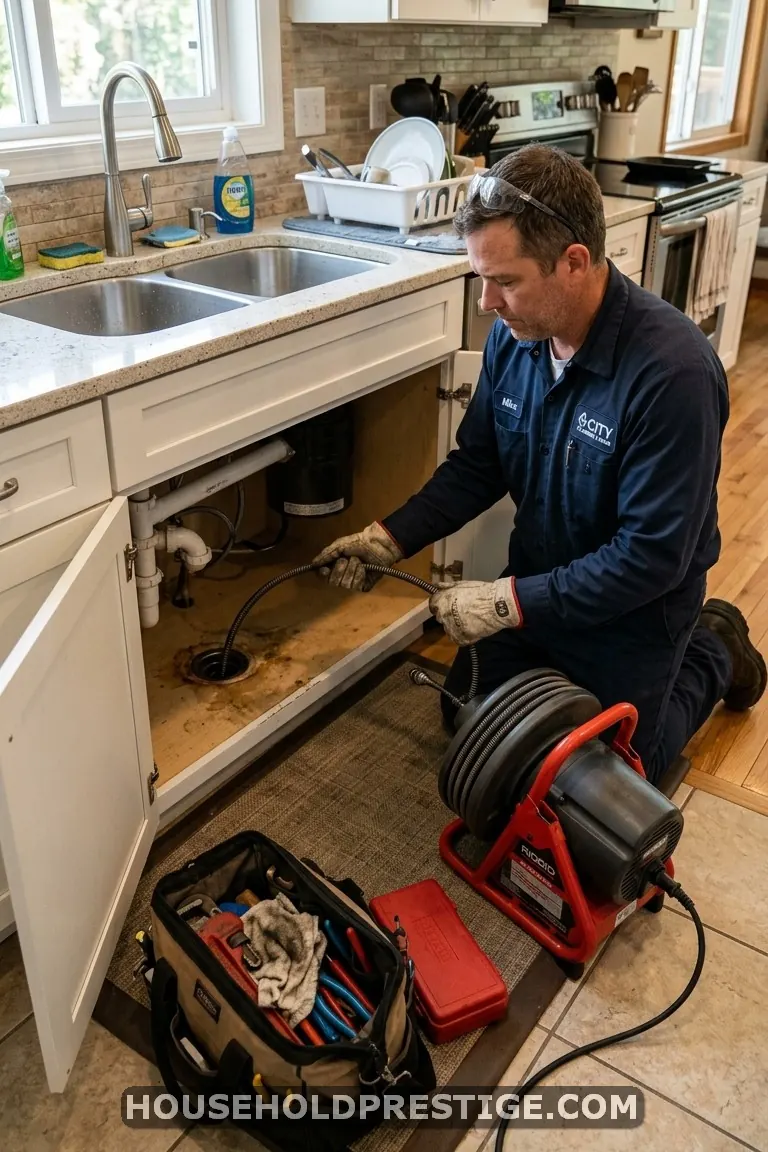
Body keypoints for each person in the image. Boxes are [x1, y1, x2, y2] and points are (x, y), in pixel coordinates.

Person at [313, 143, 766, 791]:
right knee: (469, 717)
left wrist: (505, 605)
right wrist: (389, 537)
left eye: (505, 281)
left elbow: (649, 558)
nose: (486, 303)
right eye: (482, 278)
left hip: (633, 612)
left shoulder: (673, 374)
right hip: (537, 586)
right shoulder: (515, 336)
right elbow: (479, 464)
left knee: (603, 779)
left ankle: (713, 646)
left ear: (574, 262)